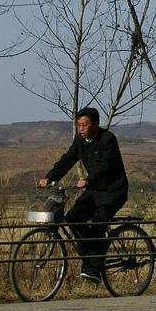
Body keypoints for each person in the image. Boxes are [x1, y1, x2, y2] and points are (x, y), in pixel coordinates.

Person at [39, 107, 129, 282]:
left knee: (98, 223)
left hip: (113, 191)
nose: (81, 128)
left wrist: (88, 180)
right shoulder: (80, 141)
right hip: (94, 190)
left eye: (84, 125)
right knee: (73, 217)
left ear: (95, 124)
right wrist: (50, 177)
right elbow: (68, 159)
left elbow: (106, 166)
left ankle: (95, 268)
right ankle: (89, 256)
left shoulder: (107, 139)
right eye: (79, 125)